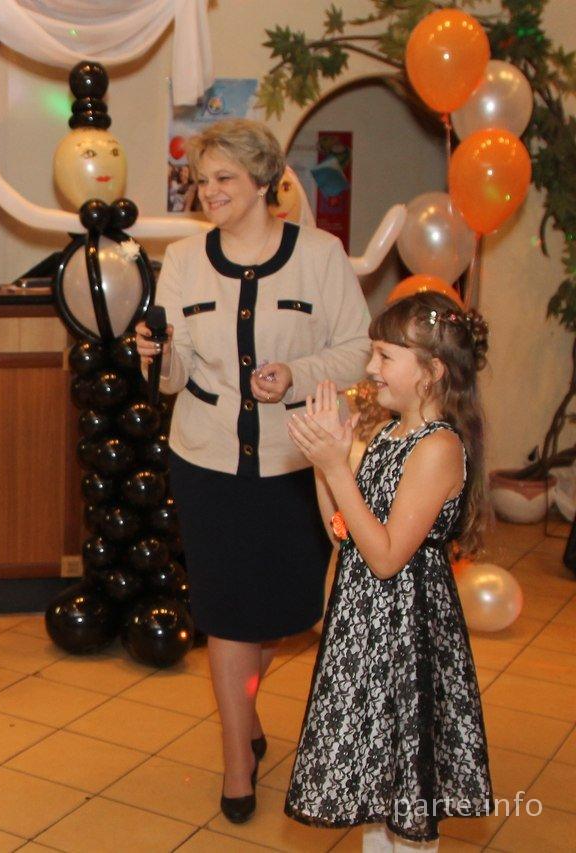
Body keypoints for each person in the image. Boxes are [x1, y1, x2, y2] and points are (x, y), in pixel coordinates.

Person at [135, 117, 371, 823]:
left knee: (288, 613)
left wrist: (296, 372)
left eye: (224, 179)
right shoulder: (183, 260)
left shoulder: (320, 256)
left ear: (265, 180)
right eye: (201, 181)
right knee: (228, 613)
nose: (209, 192)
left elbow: (357, 349)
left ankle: (244, 707)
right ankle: (238, 760)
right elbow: (174, 375)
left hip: (298, 458)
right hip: (206, 459)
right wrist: (157, 355)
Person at [284, 293, 492, 849]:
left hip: (406, 635)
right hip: (368, 632)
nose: (370, 367)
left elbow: (385, 555)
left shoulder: (438, 447)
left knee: (407, 789)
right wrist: (324, 461)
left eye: (385, 356)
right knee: (378, 790)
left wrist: (336, 466)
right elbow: (344, 531)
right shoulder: (389, 434)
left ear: (432, 372)